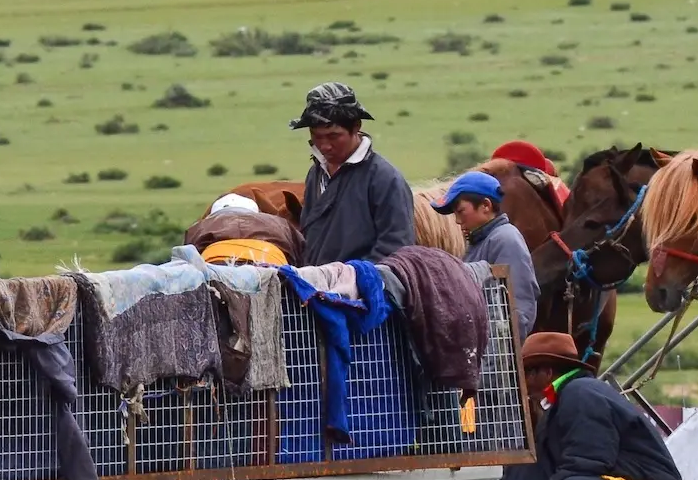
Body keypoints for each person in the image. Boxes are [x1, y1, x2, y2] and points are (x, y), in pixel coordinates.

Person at [506, 331, 686, 480]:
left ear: (547, 373)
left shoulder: (581, 394)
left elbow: (586, 463)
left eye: (527, 374)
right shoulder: (566, 399)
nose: (524, 386)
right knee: (526, 467)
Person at [290, 82, 414, 265]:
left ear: (356, 127)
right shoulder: (315, 174)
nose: (324, 146)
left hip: (363, 289)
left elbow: (397, 248)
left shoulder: (384, 178)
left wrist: (351, 279)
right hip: (316, 287)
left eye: (333, 136)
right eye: (317, 136)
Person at [433, 169, 537, 341]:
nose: (458, 221)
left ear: (486, 206)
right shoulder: (480, 242)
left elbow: (518, 306)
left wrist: (504, 354)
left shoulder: (506, 239)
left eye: (461, 211)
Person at [185, 192, 302, 267]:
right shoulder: (279, 224)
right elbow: (300, 254)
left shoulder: (199, 227)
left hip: (215, 266)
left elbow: (187, 259)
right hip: (270, 264)